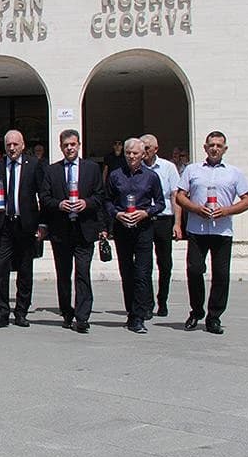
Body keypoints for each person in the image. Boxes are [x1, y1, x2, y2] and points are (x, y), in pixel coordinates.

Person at [175, 131, 248, 335]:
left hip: (222, 230)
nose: (215, 149)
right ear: (205, 147)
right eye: (211, 145)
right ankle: (196, 311)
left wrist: (226, 211)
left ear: (225, 149)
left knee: (220, 275)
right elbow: (180, 196)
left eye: (219, 145)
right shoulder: (192, 170)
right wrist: (195, 208)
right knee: (194, 270)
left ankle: (214, 316)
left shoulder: (234, 173)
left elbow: (247, 200)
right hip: (197, 229)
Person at [39, 129, 106, 333]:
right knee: (64, 274)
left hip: (85, 229)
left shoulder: (92, 168)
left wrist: (86, 203)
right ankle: (67, 312)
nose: (70, 148)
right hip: (61, 230)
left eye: (73, 144)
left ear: (79, 145)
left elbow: (100, 196)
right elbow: (45, 197)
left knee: (83, 273)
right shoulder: (52, 171)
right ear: (60, 147)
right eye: (66, 145)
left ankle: (83, 316)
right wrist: (60, 205)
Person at [106, 138, 165, 334]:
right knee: (127, 272)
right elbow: (107, 201)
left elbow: (160, 203)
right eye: (128, 153)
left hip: (143, 228)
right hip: (122, 228)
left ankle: (138, 316)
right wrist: (117, 214)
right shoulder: (115, 175)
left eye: (135, 153)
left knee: (142, 272)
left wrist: (146, 212)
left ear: (143, 155)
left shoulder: (151, 177)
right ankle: (131, 310)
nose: (131, 156)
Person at [0, 130, 44, 328]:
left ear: (22, 145)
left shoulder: (34, 165)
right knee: (1, 269)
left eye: (15, 144)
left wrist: (42, 224)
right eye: (8, 145)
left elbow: (43, 194)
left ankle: (21, 311)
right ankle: (1, 312)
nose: (12, 148)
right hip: (4, 225)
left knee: (25, 270)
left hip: (25, 225)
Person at [140, 134, 182, 317]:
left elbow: (175, 196)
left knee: (165, 263)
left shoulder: (168, 168)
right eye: (142, 148)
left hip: (164, 219)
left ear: (156, 149)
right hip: (144, 219)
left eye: (147, 148)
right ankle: (147, 303)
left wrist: (177, 224)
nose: (144, 152)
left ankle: (162, 300)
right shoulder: (136, 168)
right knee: (144, 263)